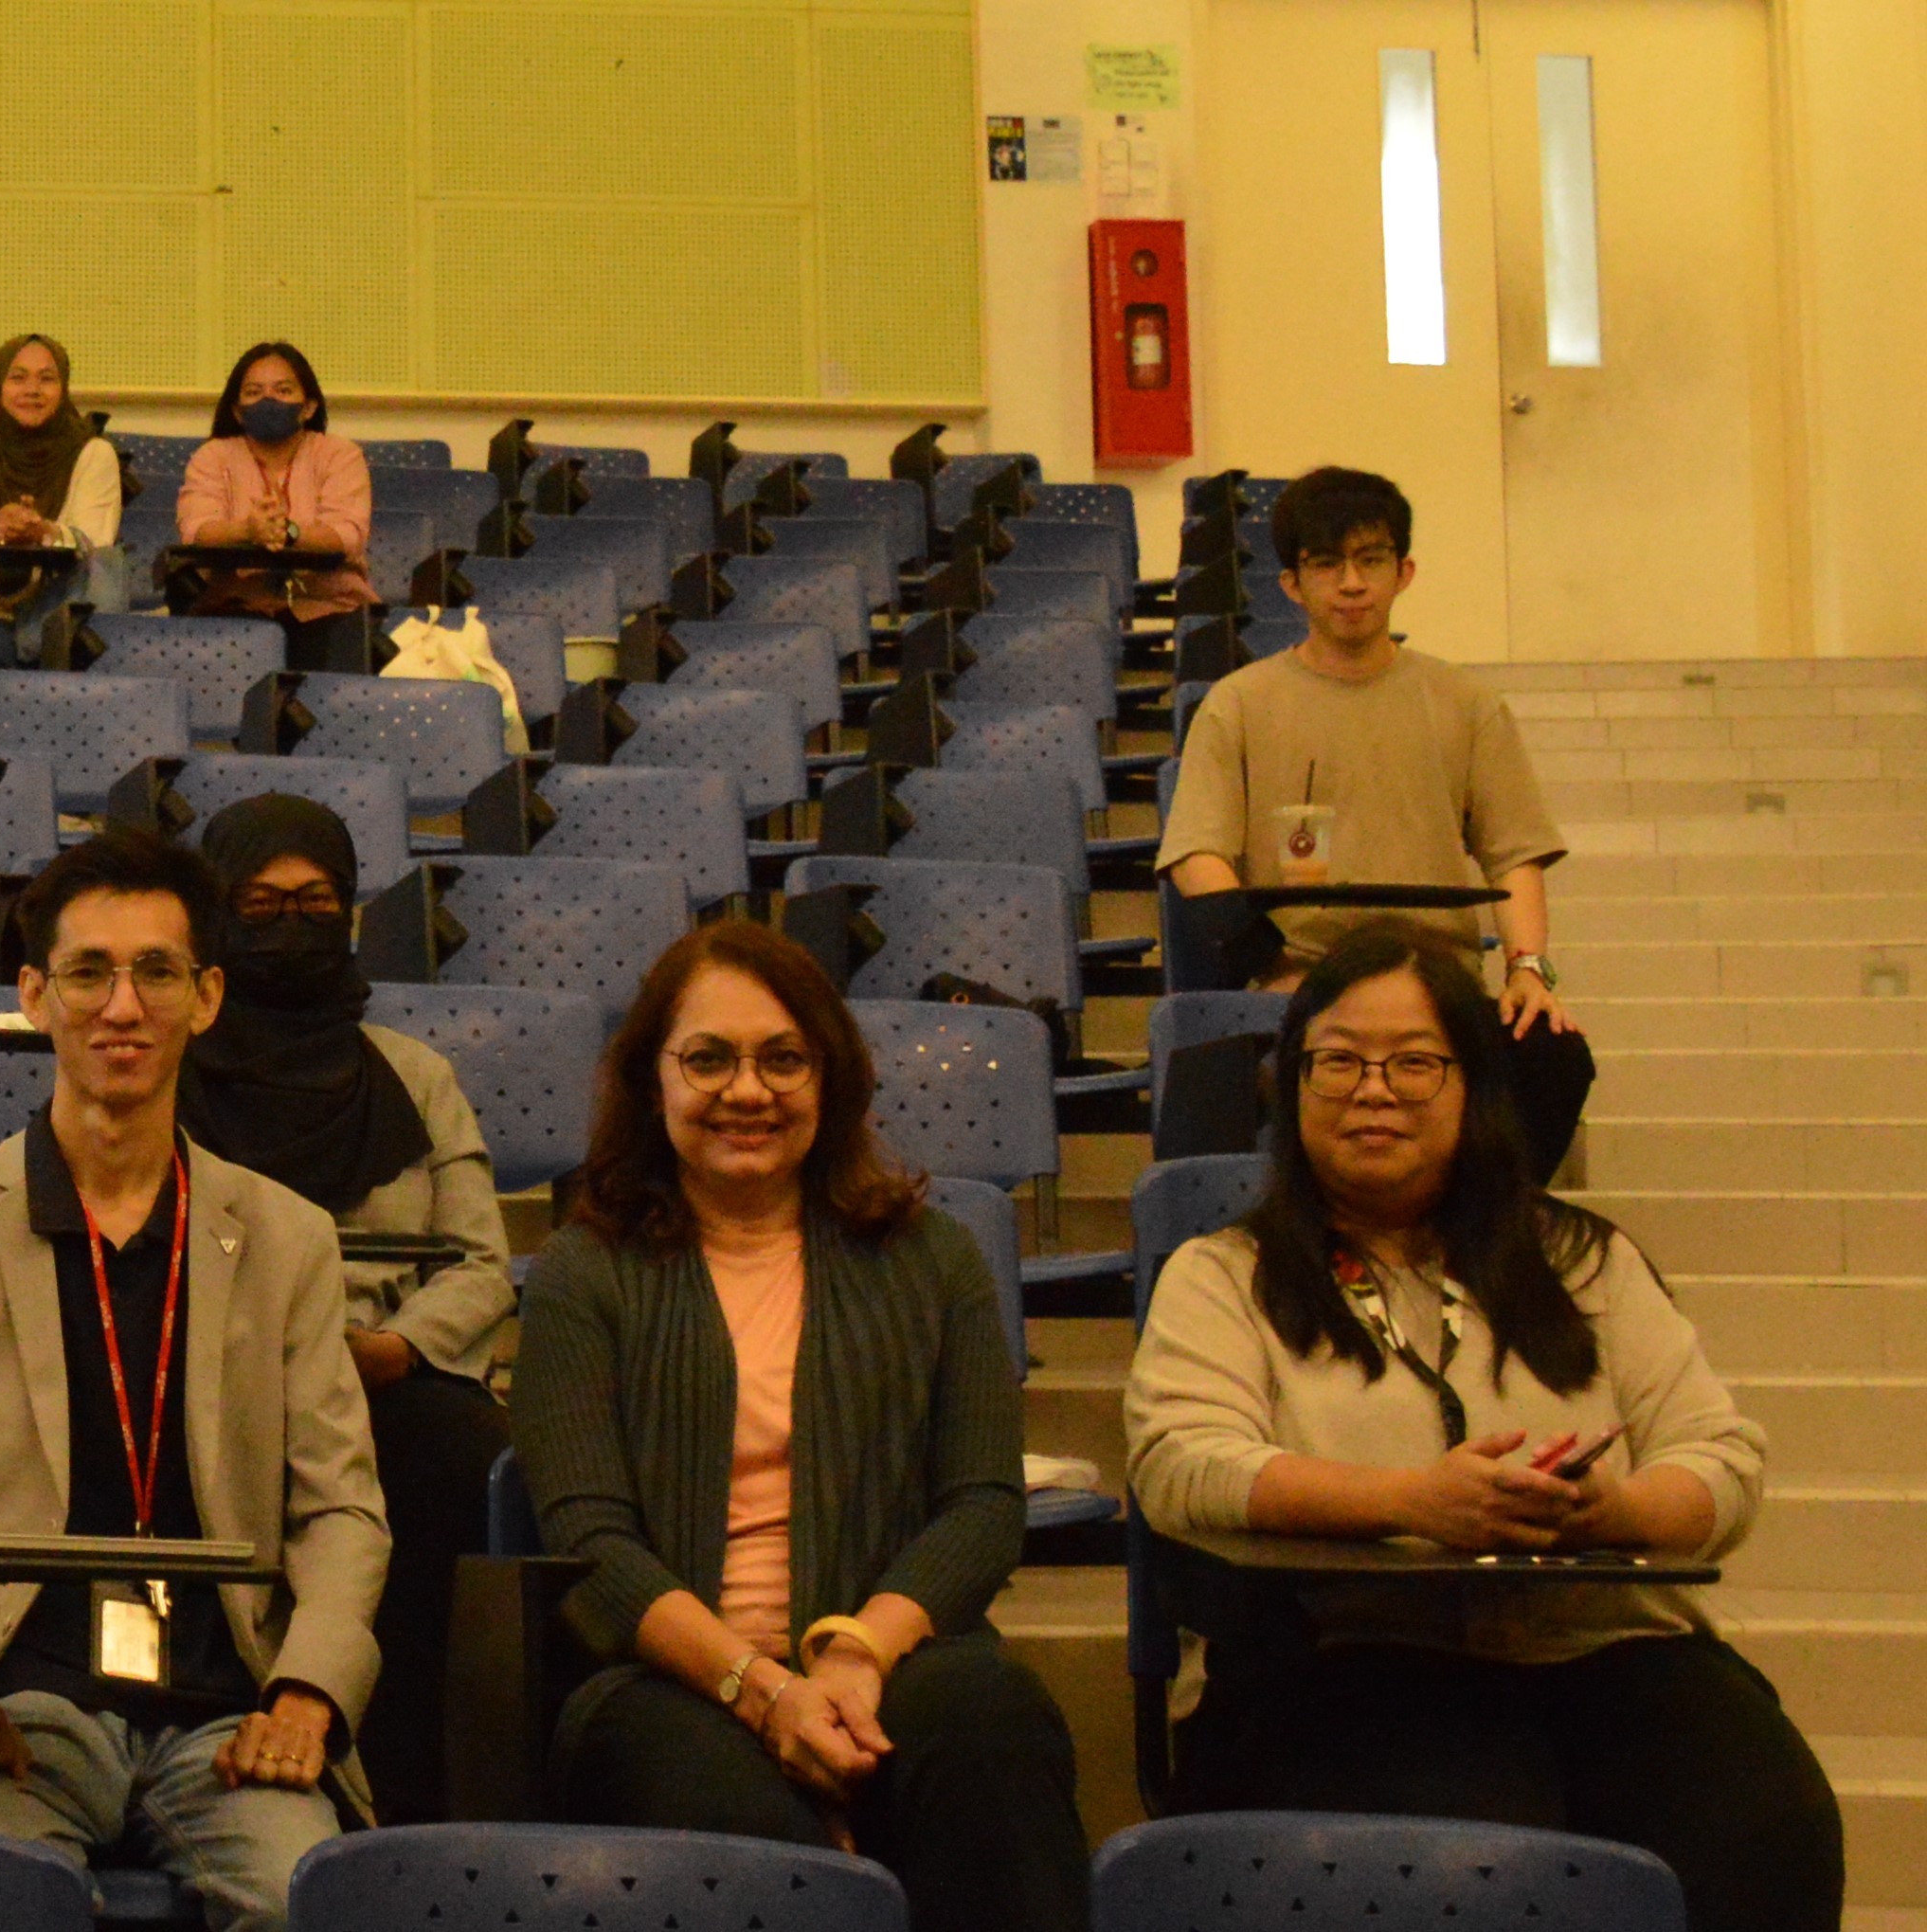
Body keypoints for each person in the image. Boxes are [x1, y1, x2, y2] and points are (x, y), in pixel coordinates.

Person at [1126, 925, 1835, 1932]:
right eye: (1337, 1060)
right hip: (1343, 1657)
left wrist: (1610, 1508)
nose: (1373, 1089)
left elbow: (1720, 1459)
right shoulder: (1223, 1272)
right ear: (1291, 1086)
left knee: (1766, 1814)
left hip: (1602, 1647)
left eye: (1414, 1061)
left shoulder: (1584, 1259)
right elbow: (1180, 1464)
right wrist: (1411, 1502)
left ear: (1472, 1086)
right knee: (1482, 1852)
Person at [0, 830, 385, 1932]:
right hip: (4, 1699)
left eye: (157, 971)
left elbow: (342, 1508)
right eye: (88, 972)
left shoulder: (287, 1236)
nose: (123, 1004)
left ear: (206, 996)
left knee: (306, 1907)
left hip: (227, 1708)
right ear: (31, 994)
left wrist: (306, 1690)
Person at [511, 920, 1084, 1932]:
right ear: (654, 1080)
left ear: (832, 1080)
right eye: (709, 1058)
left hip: (892, 1659)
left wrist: (856, 1655)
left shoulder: (933, 1258)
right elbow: (591, 1547)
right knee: (741, 1827)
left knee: (992, 1727)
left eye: (784, 1058)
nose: (748, 1089)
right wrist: (764, 1690)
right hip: (665, 1679)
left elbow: (982, 1505)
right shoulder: (581, 1272)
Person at [175, 795, 511, 1814]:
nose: (288, 923)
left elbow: (482, 1262)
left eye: (314, 902)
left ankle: (411, 1777)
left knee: (458, 1448)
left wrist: (397, 1347)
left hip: (380, 1369)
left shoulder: (413, 1075)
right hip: (206, 1360)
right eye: (260, 903)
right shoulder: (169, 1070)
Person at [1159, 467, 1592, 1161]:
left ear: (1404, 571)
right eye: (1327, 564)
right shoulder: (1238, 705)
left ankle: (1478, 1246)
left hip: (1437, 987)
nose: (1352, 583)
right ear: (1292, 585)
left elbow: (1514, 853)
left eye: (1370, 560)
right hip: (1303, 987)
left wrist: (1528, 970)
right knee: (1209, 1094)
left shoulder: (1466, 703)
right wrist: (1275, 964)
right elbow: (1196, 857)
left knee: (1553, 1057)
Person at [176, 342, 373, 672]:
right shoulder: (212, 456)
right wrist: (247, 531)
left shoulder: (340, 455)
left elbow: (347, 536)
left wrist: (288, 531)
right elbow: (196, 531)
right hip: (234, 607)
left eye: (283, 390)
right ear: (237, 411)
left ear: (308, 406)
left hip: (329, 607)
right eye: (254, 392)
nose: (269, 400)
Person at [0, 333, 123, 622]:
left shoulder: (94, 454)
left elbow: (95, 542)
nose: (32, 389)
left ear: (64, 389)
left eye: (46, 379)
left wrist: (44, 531)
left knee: (106, 563)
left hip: (63, 601)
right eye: (18, 378)